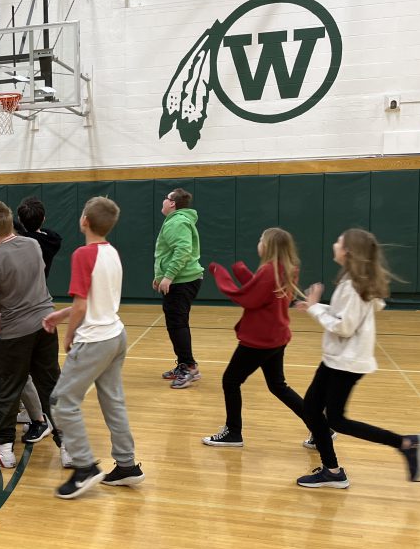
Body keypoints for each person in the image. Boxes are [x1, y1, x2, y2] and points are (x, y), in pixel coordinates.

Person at [294, 229, 420, 489]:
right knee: (311, 408)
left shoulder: (354, 286)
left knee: (336, 419)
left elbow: (344, 327)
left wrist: (314, 310)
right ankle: (331, 470)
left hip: (347, 362)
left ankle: (406, 443)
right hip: (338, 359)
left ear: (348, 252)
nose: (334, 244)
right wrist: (316, 307)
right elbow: (342, 314)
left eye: (338, 241)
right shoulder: (351, 281)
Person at [43, 197, 144, 499]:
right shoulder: (111, 252)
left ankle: (84, 465)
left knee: (62, 403)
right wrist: (61, 314)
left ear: (85, 220)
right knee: (113, 401)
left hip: (94, 340)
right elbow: (93, 300)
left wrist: (67, 334)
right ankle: (126, 465)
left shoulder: (82, 254)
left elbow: (83, 304)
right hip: (115, 334)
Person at [201, 228, 306, 447]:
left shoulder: (269, 271)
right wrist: (241, 272)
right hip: (277, 336)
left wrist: (221, 274)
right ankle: (320, 425)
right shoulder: (286, 269)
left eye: (261, 239)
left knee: (230, 381)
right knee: (278, 386)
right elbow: (262, 292)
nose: (258, 242)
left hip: (260, 339)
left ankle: (233, 433)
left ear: (267, 246)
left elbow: (247, 298)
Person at [0, 200, 63, 468]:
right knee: (50, 384)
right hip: (46, 323)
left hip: (16, 331)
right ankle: (69, 446)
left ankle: (4, 448)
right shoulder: (33, 245)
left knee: (10, 388)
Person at [153, 187, 204, 389]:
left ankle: (188, 367)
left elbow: (183, 250)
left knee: (177, 323)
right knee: (176, 322)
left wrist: (168, 276)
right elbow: (167, 253)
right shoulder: (176, 221)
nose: (163, 201)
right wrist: (160, 277)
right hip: (179, 280)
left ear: (172, 203)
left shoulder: (177, 221)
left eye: (166, 198)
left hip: (182, 281)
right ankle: (185, 363)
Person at [0, 180, 62, 278]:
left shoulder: (21, 237)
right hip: (40, 288)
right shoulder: (53, 241)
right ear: (43, 219)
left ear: (19, 219)